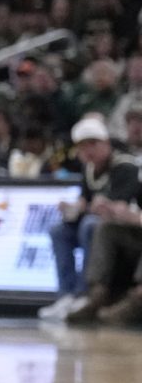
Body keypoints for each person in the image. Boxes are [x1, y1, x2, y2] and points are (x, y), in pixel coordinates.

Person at [43, 117, 139, 323]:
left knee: (90, 226)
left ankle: (85, 293)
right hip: (102, 225)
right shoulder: (88, 170)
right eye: (83, 146)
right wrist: (74, 208)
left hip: (125, 231)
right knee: (58, 231)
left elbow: (121, 207)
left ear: (106, 143)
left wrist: (102, 206)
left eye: (93, 144)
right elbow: (86, 202)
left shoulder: (125, 166)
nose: (88, 151)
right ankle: (65, 294)